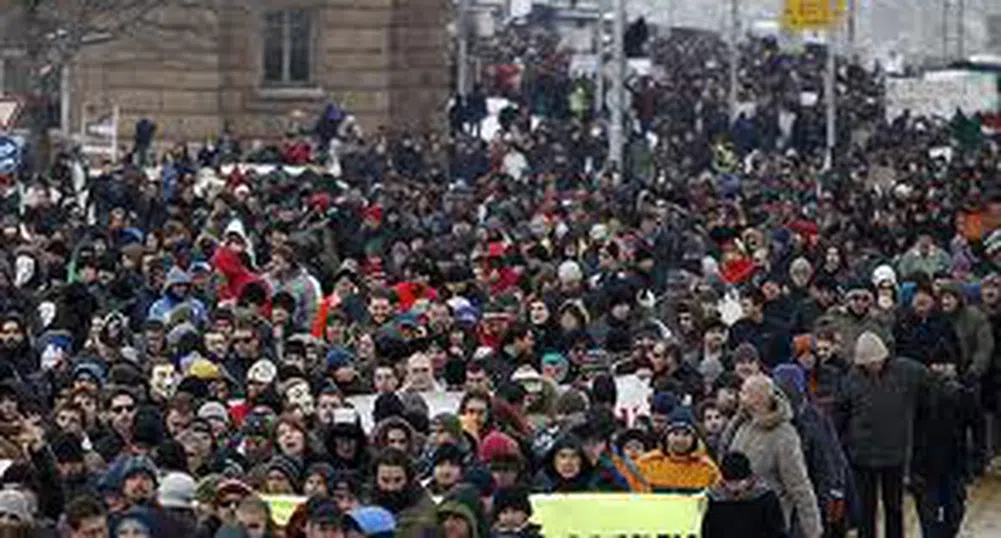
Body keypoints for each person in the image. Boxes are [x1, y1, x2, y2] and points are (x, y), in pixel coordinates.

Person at [833, 331, 928, 538]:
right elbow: (840, 414)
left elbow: (929, 387)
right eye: (867, 364)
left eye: (876, 362)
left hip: (894, 454)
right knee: (866, 509)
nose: (872, 366)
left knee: (894, 507)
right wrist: (844, 445)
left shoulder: (906, 371)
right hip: (862, 456)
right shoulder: (851, 379)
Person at [721, 374, 821, 538]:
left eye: (744, 392)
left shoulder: (783, 435)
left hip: (770, 522)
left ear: (759, 397)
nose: (739, 396)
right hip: (736, 519)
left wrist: (813, 531)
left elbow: (798, 485)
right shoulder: (743, 424)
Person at [911, 341, 976, 538]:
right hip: (926, 464)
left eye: (946, 364)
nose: (942, 369)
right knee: (930, 517)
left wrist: (976, 460)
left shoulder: (964, 393)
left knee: (954, 512)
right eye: (938, 364)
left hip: (954, 463)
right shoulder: (919, 393)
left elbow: (976, 424)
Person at [701, 451, 789, 538]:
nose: (734, 487)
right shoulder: (714, 499)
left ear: (749, 477)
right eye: (730, 482)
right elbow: (707, 531)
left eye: (739, 481)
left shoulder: (765, 497)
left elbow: (778, 532)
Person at [636, 407, 720, 493]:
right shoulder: (647, 463)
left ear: (694, 438)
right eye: (675, 434)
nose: (680, 439)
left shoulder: (707, 468)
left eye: (686, 434)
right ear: (666, 436)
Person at [371, 448, 436, 538]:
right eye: (385, 480)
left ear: (408, 479)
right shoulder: (364, 507)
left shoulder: (426, 513)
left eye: (397, 480)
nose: (391, 487)